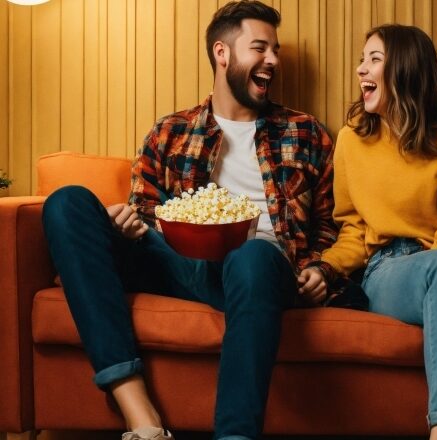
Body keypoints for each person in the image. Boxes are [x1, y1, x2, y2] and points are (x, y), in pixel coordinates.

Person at [41, 2, 337, 439]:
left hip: (260, 270)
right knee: (65, 203)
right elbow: (143, 209)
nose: (273, 60)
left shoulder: (305, 132)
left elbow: (330, 226)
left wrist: (319, 268)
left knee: (252, 255)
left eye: (275, 49)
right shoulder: (170, 131)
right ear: (222, 53)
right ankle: (141, 417)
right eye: (261, 48)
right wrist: (125, 223)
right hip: (177, 264)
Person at [302, 24, 437, 440]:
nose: (360, 69)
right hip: (387, 272)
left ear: (406, 70)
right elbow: (353, 229)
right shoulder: (352, 141)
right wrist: (326, 268)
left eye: (374, 59)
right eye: (362, 58)